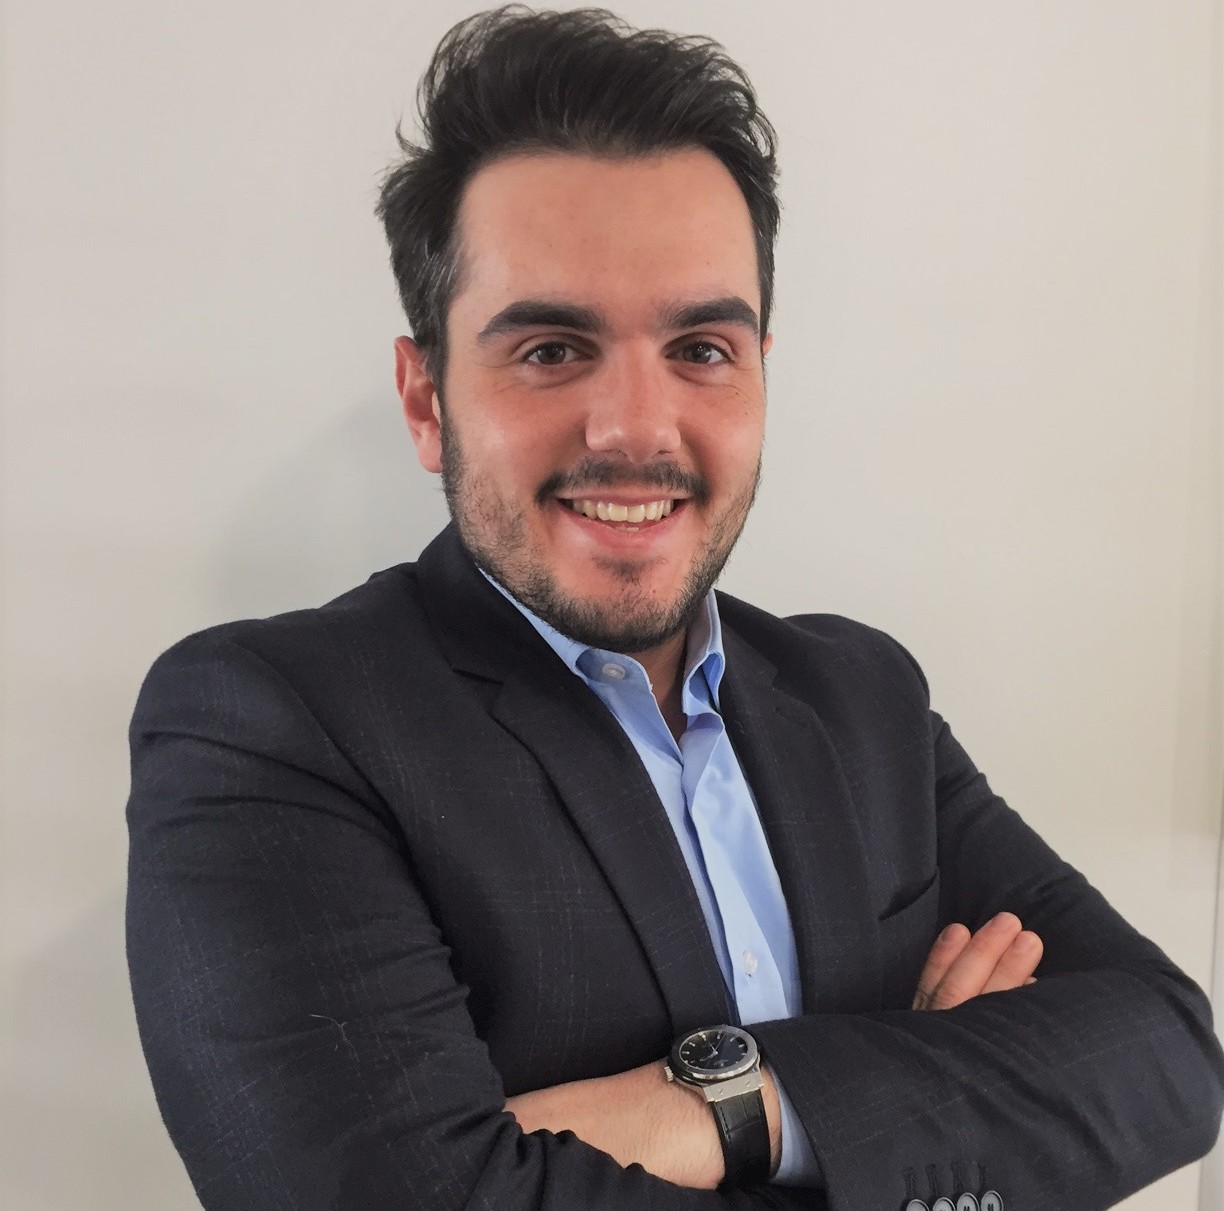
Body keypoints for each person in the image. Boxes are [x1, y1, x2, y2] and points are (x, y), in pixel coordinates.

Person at [125, 8, 1223, 1210]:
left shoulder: (866, 696)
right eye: (551, 348)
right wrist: (928, 1091)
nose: (637, 428)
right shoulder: (272, 725)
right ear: (426, 397)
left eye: (702, 347)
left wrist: (729, 1105)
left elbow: (1172, 1053)